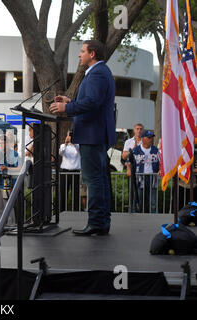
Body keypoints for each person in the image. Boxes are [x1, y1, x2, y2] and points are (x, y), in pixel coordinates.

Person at [49, 39, 116, 236]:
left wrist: (66, 108)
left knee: (93, 180)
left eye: (82, 51)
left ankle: (96, 222)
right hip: (95, 134)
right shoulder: (100, 73)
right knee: (100, 179)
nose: (79, 55)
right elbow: (92, 101)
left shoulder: (97, 74)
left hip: (92, 135)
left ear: (92, 54)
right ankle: (101, 222)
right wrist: (71, 101)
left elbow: (92, 102)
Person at [127, 130, 160, 213]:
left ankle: (154, 218)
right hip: (139, 178)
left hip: (153, 178)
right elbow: (129, 162)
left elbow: (161, 162)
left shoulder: (155, 150)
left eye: (151, 138)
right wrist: (129, 170)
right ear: (143, 138)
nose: (151, 139)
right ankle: (135, 217)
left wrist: (160, 170)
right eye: (149, 138)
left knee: (153, 201)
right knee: (138, 199)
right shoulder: (136, 150)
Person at [0, 135, 19, 226]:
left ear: (7, 143)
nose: (1, 145)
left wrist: (7, 167)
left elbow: (19, 168)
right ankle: (0, 227)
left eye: (3, 143)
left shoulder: (14, 154)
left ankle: (11, 226)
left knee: (9, 207)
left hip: (8, 184)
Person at [59, 130, 81, 212]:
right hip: (65, 171)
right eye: (69, 135)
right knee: (63, 192)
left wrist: (74, 142)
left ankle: (76, 210)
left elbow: (79, 151)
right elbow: (61, 153)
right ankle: (62, 210)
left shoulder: (78, 146)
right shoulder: (63, 146)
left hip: (75, 171)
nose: (71, 137)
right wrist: (65, 143)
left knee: (75, 193)